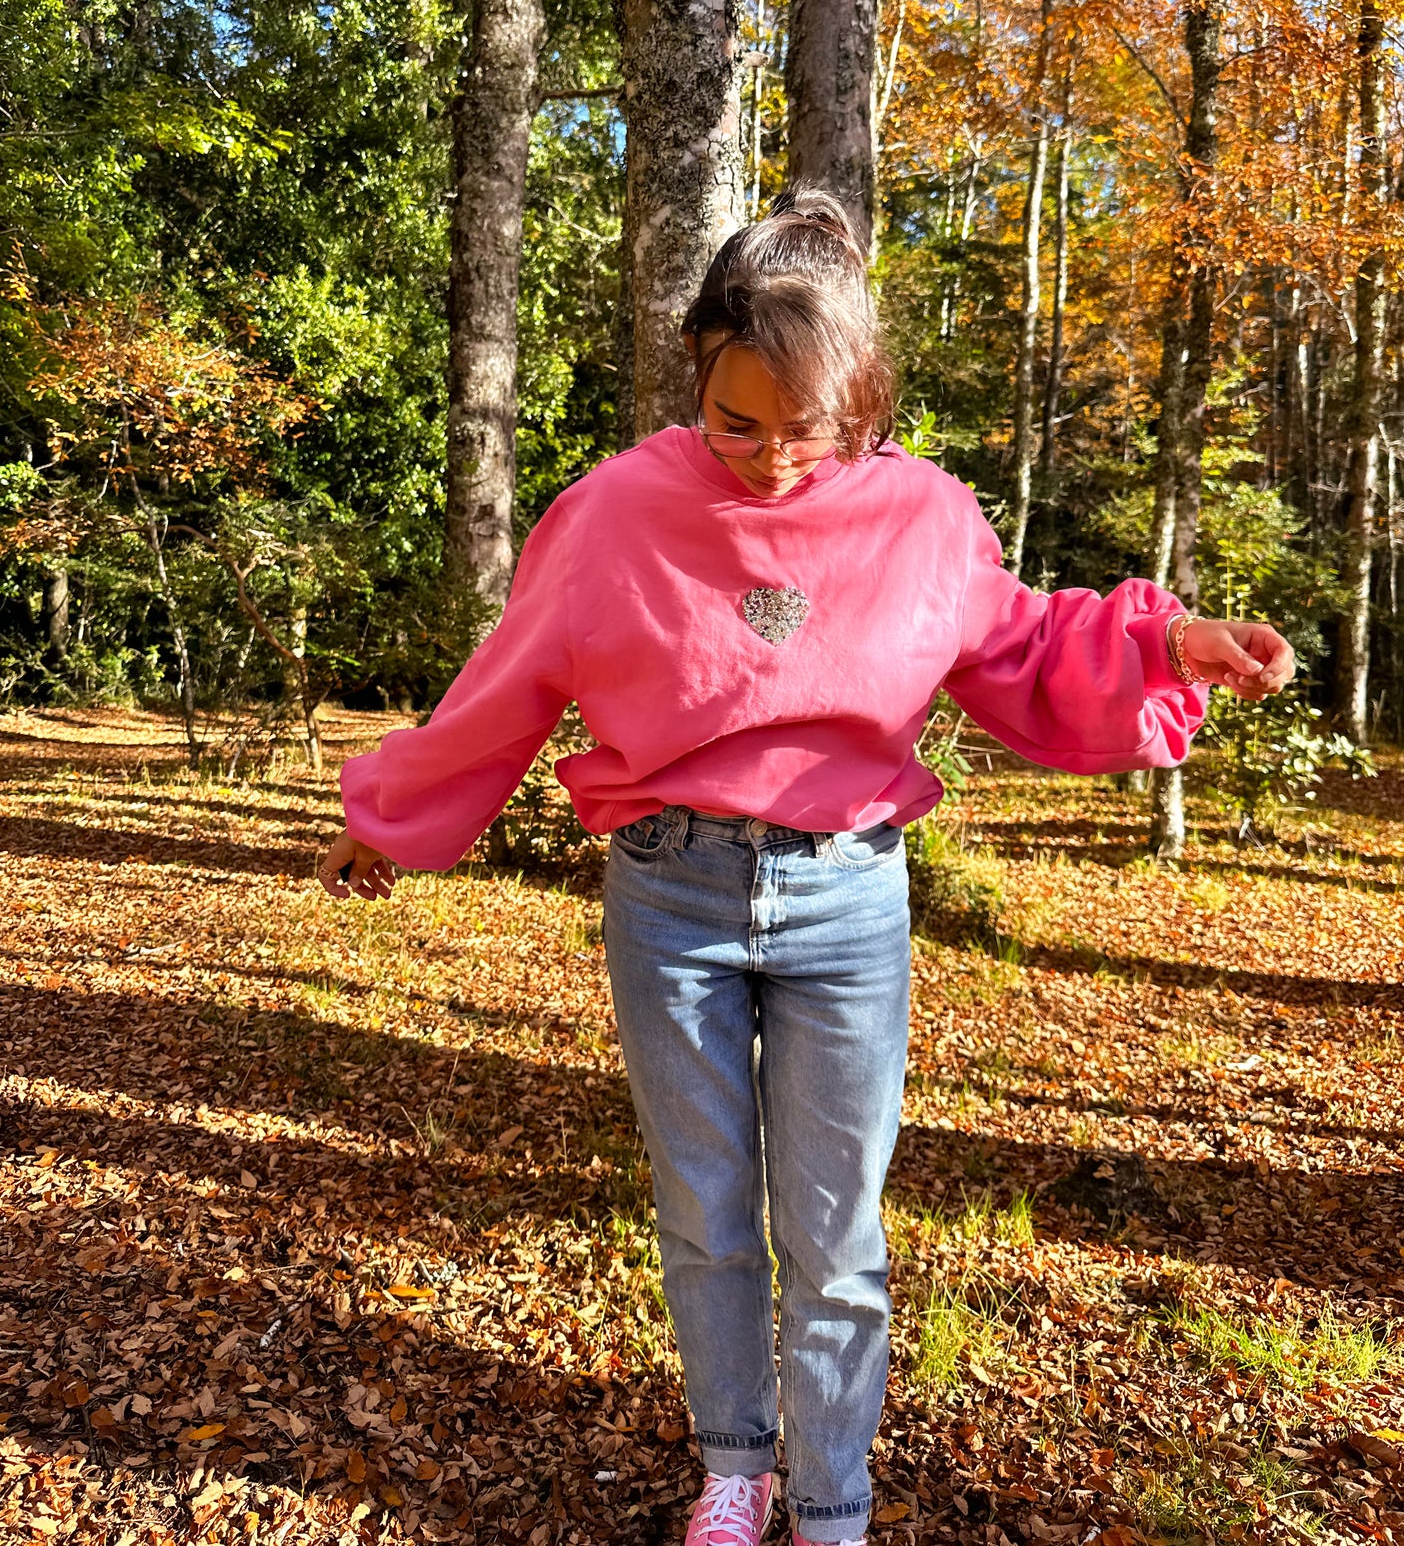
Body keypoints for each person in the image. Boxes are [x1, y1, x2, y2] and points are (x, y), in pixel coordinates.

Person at [319, 189, 1296, 1546]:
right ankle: (736, 1470)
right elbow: (505, 688)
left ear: (862, 403)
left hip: (848, 899)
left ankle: (831, 1504)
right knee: (706, 1210)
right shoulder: (611, 513)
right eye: (737, 423)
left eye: (810, 430)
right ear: (694, 370)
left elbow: (1019, 648)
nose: (773, 458)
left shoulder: (922, 515)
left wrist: (1171, 642)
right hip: (671, 897)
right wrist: (391, 818)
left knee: (834, 1233)